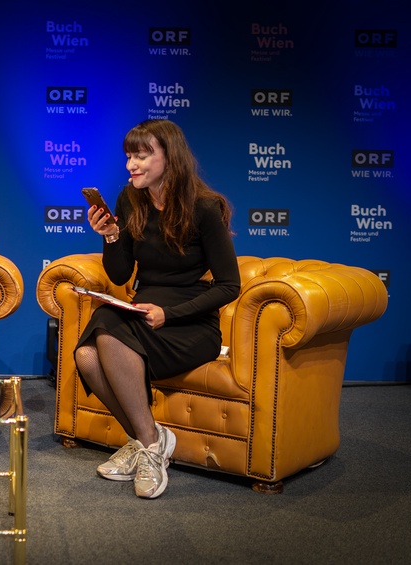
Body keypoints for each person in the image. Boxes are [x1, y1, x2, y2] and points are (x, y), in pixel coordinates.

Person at [77, 119, 240, 499]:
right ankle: (149, 440)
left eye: (142, 155)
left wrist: (171, 314)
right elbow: (119, 274)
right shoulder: (128, 199)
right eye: (129, 156)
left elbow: (230, 286)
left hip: (190, 323)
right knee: (87, 354)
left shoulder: (205, 208)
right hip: (143, 312)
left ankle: (145, 447)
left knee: (105, 331)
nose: (131, 164)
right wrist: (111, 235)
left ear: (170, 157)